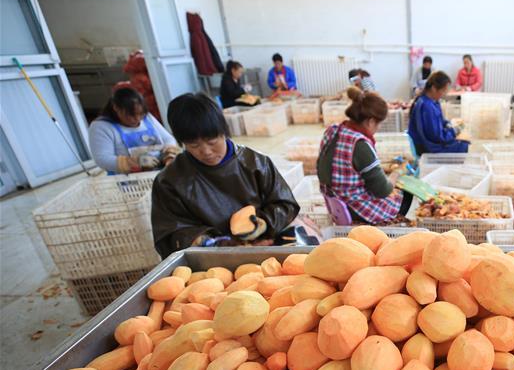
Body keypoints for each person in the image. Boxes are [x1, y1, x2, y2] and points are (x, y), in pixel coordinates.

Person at [151, 93, 299, 257]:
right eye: (194, 145)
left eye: (212, 142)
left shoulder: (255, 163)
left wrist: (263, 224)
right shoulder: (170, 181)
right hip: (210, 261)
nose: (206, 152)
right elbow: (170, 234)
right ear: (182, 143)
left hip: (265, 247)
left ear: (224, 132)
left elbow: (285, 205)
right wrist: (217, 244)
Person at [317, 87, 413, 225]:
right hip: (354, 207)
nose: (378, 128)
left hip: (334, 200)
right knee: (407, 195)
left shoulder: (332, 131)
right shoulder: (360, 145)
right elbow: (382, 191)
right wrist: (396, 173)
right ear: (371, 121)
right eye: (378, 123)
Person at [89, 86, 180, 174]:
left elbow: (168, 139)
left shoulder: (146, 118)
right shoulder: (102, 126)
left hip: (159, 172)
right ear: (116, 108)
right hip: (128, 181)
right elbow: (102, 159)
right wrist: (135, 162)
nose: (137, 119)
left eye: (140, 114)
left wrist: (169, 156)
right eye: (131, 115)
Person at [407, 71, 469, 154]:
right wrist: (454, 131)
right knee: (465, 146)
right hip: (428, 148)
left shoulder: (430, 101)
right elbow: (438, 137)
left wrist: (449, 124)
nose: (444, 94)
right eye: (443, 91)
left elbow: (440, 122)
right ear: (433, 88)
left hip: (429, 142)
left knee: (462, 141)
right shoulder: (427, 106)